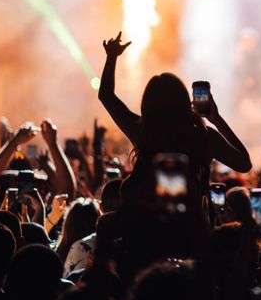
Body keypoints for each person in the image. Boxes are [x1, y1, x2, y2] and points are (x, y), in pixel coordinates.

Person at [99, 32, 252, 194]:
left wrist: (112, 57)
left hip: (151, 218)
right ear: (185, 101)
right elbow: (244, 164)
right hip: (193, 218)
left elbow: (106, 96)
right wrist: (217, 119)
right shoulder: (204, 137)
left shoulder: (143, 132)